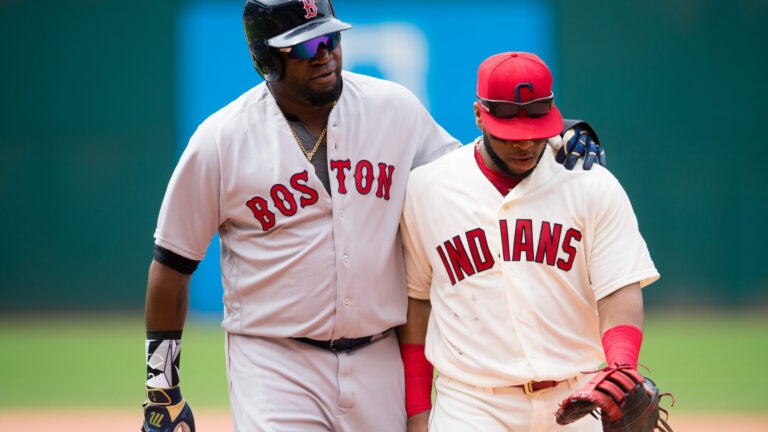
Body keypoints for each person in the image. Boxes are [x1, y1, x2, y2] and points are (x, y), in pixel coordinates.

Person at [140, 1, 604, 431]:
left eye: (331, 38)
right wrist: (162, 391)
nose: (325, 54)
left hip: (379, 357)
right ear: (266, 59)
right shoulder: (222, 141)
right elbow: (172, 265)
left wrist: (549, 136)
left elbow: (468, 174)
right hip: (276, 362)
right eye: (305, 46)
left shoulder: (392, 109)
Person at [397, 51, 659, 432]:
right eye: (511, 135)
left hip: (576, 397)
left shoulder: (591, 184)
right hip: (473, 404)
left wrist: (621, 368)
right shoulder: (428, 190)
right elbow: (417, 302)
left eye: (535, 132)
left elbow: (618, 287)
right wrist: (418, 412)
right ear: (478, 115)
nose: (525, 145)